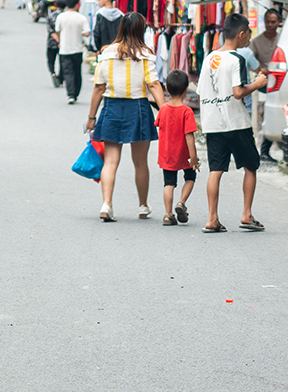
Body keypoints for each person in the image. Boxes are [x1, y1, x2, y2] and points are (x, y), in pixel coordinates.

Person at [84, 12, 164, 221]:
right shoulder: (145, 54)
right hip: (138, 108)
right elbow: (153, 84)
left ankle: (107, 204)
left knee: (111, 161)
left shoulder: (107, 53)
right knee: (140, 162)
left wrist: (91, 117)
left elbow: (99, 88)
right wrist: (165, 111)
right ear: (141, 30)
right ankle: (143, 206)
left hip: (111, 108)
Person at [198, 13, 268, 232]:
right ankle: (246, 215)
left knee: (215, 170)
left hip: (212, 122)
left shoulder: (209, 57)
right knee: (251, 166)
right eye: (248, 34)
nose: (249, 38)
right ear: (241, 34)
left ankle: (212, 219)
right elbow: (238, 92)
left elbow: (201, 91)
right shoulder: (238, 59)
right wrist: (257, 83)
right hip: (236, 122)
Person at [155, 69, 199, 226]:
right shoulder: (187, 111)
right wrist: (193, 158)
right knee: (190, 178)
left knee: (169, 183)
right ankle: (181, 202)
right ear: (187, 89)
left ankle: (168, 215)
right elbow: (189, 136)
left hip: (167, 154)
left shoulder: (163, 109)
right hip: (184, 154)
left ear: (166, 89)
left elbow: (158, 124)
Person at [245, 9, 282, 159]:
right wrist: (262, 70)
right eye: (267, 21)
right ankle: (264, 150)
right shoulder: (256, 42)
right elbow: (251, 62)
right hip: (264, 84)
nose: (270, 25)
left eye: (273, 22)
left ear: (279, 22)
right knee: (265, 115)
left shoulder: (282, 39)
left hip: (280, 83)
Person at [51, 0, 89, 103]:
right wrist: (79, 33)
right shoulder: (81, 18)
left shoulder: (61, 17)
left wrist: (60, 41)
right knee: (77, 72)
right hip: (77, 49)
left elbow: (57, 31)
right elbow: (86, 33)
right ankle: (75, 93)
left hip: (64, 49)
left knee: (68, 72)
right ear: (78, 4)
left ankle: (70, 94)